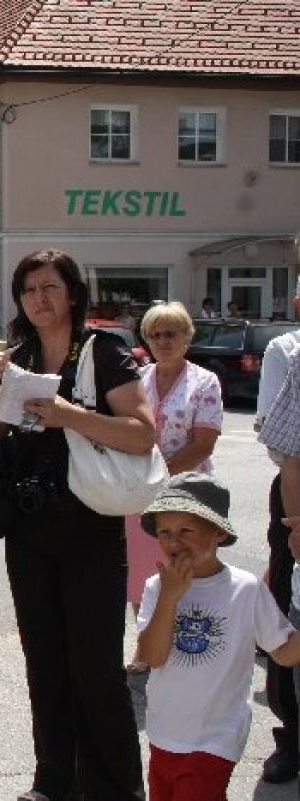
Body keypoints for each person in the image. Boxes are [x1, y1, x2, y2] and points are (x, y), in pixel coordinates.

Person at [0, 248, 154, 801]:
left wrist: (69, 414)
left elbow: (142, 434)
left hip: (89, 526)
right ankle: (54, 780)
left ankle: (115, 789)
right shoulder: (17, 357)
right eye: (28, 290)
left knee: (95, 669)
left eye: (49, 287)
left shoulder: (102, 350)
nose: (39, 299)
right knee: (44, 662)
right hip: (29, 529)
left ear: (72, 293)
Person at [136, 473, 300, 801]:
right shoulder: (157, 586)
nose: (173, 542)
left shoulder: (246, 589)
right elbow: (151, 657)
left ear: (218, 533)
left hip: (215, 738)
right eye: (164, 532)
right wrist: (170, 597)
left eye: (186, 531)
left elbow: (283, 652)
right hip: (164, 730)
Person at [124, 303, 222, 668]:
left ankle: (187, 647)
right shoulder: (137, 378)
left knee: (185, 568)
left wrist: (159, 472)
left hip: (186, 495)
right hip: (140, 493)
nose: (163, 341)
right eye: (155, 335)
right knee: (141, 573)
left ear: (186, 337)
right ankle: (146, 646)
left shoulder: (205, 382)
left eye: (171, 334)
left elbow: (203, 444)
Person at [255, 279, 300, 783]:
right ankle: (292, 736)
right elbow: (279, 441)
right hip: (295, 497)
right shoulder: (286, 351)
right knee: (289, 612)